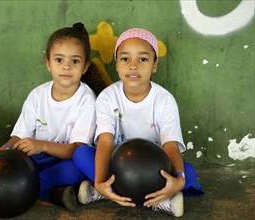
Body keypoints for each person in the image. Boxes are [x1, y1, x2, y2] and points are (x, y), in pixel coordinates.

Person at [73, 28, 203, 217]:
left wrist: (180, 180)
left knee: (188, 173)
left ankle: (108, 194)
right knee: (81, 154)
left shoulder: (164, 100)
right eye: (125, 59)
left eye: (143, 59)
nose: (133, 66)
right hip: (116, 167)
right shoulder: (107, 98)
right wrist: (101, 180)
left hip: (152, 170)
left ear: (154, 65)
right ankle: (151, 200)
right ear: (117, 64)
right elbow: (106, 142)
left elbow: (170, 145)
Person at [0, 22, 101, 211]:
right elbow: (20, 136)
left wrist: (42, 145)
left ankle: (77, 188)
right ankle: (61, 194)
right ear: (48, 63)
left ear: (85, 66)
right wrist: (4, 149)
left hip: (68, 161)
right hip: (39, 159)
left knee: (78, 162)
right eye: (59, 60)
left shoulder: (87, 100)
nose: (66, 67)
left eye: (75, 61)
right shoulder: (37, 95)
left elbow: (76, 149)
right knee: (18, 172)